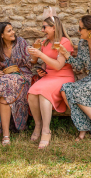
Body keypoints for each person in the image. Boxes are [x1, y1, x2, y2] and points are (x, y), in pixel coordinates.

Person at [27, 14, 75, 149]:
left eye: (44, 27)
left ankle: (46, 131)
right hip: (49, 77)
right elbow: (44, 63)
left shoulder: (64, 42)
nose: (42, 30)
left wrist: (41, 55)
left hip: (63, 77)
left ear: (53, 28)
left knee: (43, 94)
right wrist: (41, 68)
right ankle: (38, 125)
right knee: (32, 93)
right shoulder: (45, 43)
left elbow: (59, 65)